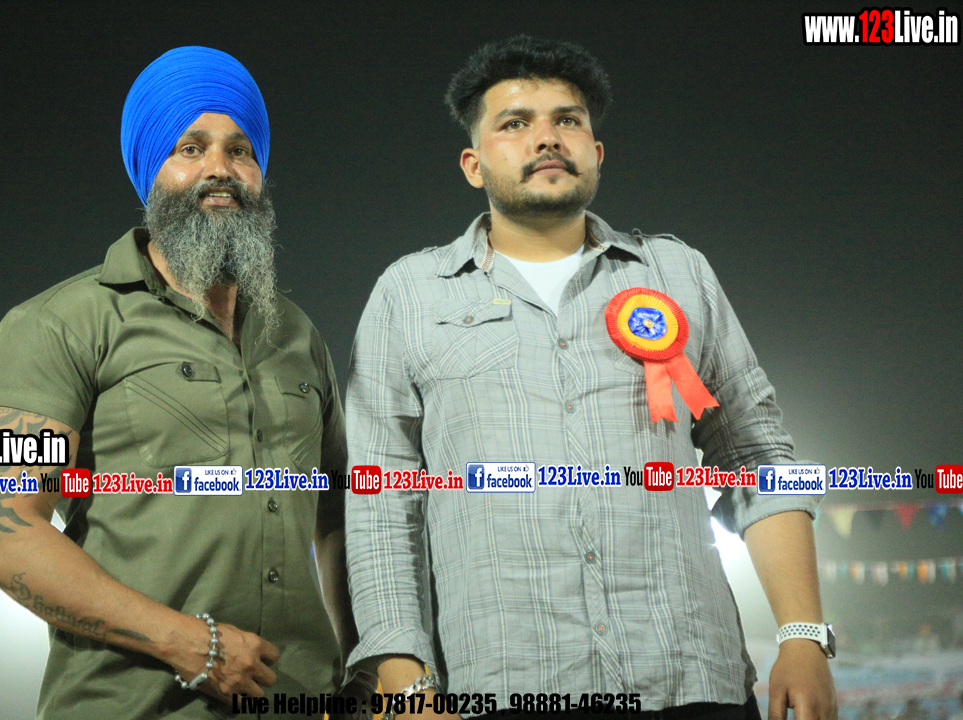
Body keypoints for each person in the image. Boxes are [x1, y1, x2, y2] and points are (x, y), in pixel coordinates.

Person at [344, 35, 836, 720]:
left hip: (691, 682)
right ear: (473, 164)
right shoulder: (409, 293)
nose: (546, 137)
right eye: (515, 123)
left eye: (567, 120)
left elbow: (756, 455)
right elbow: (380, 497)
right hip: (505, 687)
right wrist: (403, 680)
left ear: (596, 152)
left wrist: (803, 635)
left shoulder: (677, 272)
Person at [0, 46, 355, 719]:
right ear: (152, 170)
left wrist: (362, 663)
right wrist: (189, 644)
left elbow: (338, 516)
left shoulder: (296, 333)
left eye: (240, 150)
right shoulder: (55, 324)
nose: (219, 169)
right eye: (190, 148)